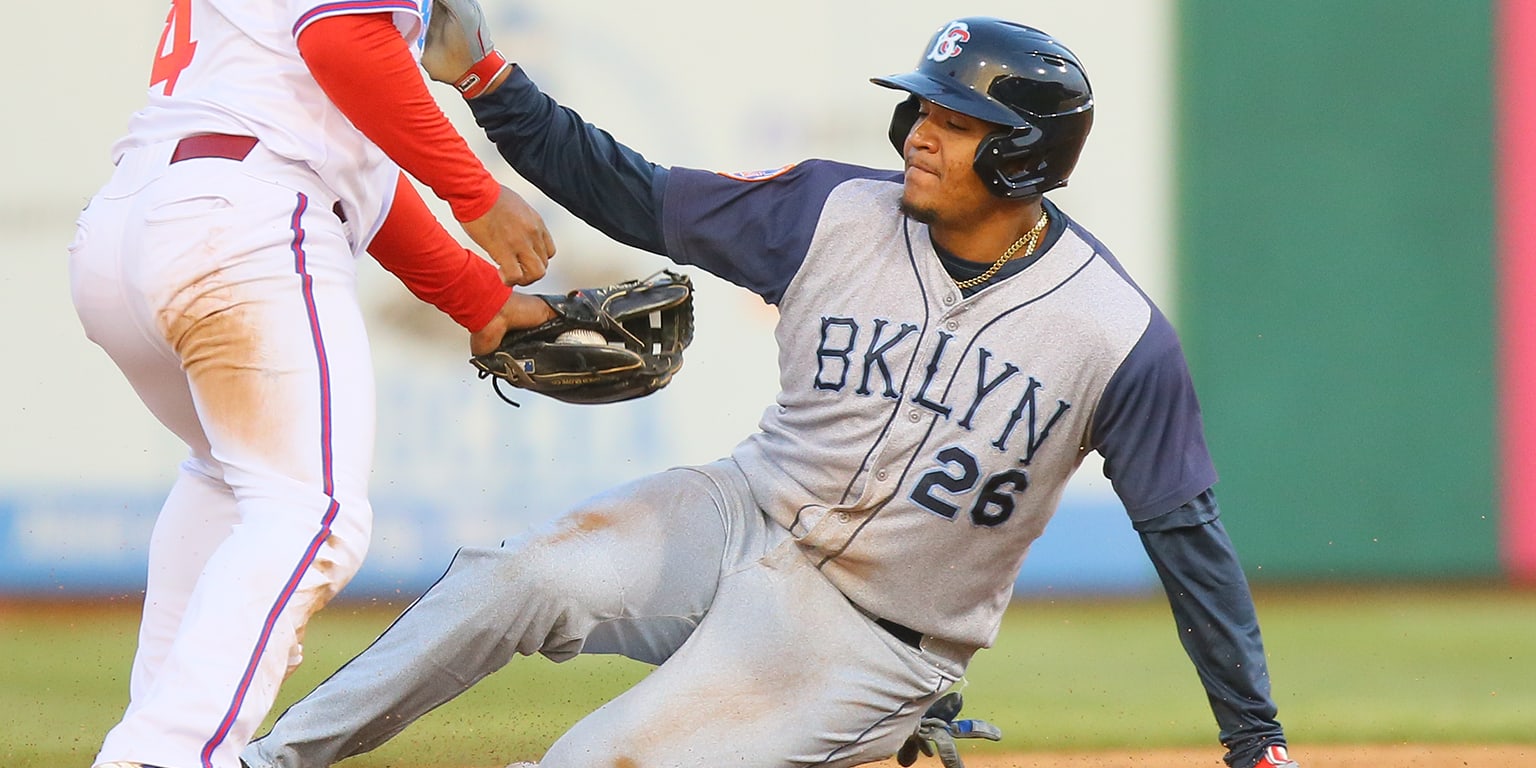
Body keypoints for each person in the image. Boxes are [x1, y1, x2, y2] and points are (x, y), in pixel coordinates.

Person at [242, 6, 1299, 768]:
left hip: (875, 629)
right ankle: (262, 764)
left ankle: (888, 724)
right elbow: (630, 191)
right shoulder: (830, 211)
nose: (920, 132)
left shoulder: (1117, 337)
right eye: (921, 110)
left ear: (1023, 156)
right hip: (742, 512)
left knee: (598, 763)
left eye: (955, 121)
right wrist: (488, 85)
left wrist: (1255, 741)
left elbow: (1187, 539)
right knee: (511, 580)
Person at [66, 2, 561, 768]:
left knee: (234, 485)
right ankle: (163, 755)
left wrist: (480, 299)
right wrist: (479, 196)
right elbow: (345, 41)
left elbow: (351, 160)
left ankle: (156, 736)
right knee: (314, 511)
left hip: (133, 224)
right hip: (239, 218)